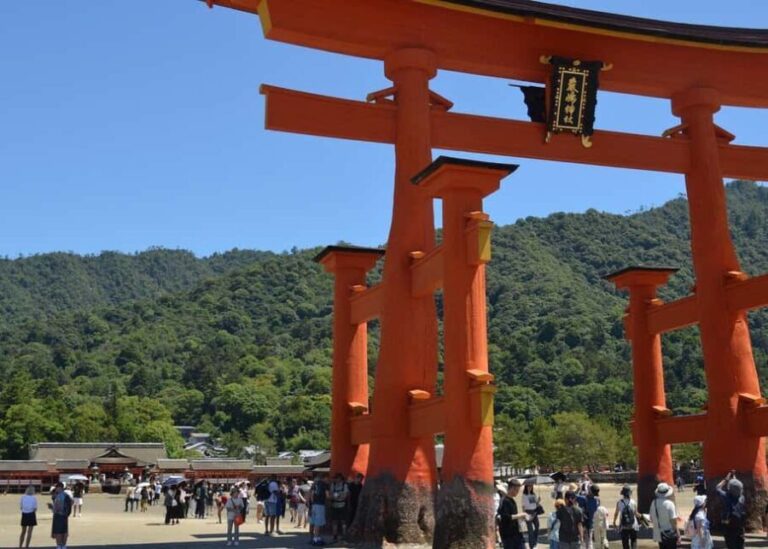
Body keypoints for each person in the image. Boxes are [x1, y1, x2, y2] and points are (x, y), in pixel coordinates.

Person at [717, 471, 747, 549]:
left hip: (729, 527)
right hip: (740, 527)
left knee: (731, 546)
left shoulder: (726, 497)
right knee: (740, 546)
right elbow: (737, 486)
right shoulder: (742, 498)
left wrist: (726, 479)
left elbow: (718, 488)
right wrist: (734, 477)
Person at [497, 478, 528, 549]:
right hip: (508, 536)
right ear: (511, 489)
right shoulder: (504, 501)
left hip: (516, 533)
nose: (517, 492)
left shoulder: (512, 500)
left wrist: (520, 517)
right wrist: (520, 515)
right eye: (517, 490)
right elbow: (505, 517)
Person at [649, 482, 679, 549]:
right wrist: (678, 534)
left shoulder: (653, 503)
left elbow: (651, 518)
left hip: (660, 534)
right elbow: (673, 521)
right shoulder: (670, 504)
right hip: (670, 533)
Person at [612, 485, 640, 549]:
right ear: (629, 493)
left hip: (623, 526)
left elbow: (616, 513)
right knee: (634, 542)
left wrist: (614, 522)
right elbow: (636, 514)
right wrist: (642, 517)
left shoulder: (619, 502)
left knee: (625, 544)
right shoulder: (633, 502)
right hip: (633, 526)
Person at [576, 484, 600, 549]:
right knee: (589, 541)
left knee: (580, 540)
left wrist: (578, 489)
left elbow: (574, 496)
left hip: (582, 522)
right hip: (591, 522)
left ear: (590, 491)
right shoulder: (597, 500)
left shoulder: (583, 499)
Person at [309, 473, 330, 547]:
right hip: (320, 505)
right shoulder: (325, 485)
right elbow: (327, 495)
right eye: (327, 478)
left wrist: (312, 502)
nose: (328, 480)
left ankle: (316, 538)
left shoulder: (314, 484)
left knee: (314, 521)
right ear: (324, 478)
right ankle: (316, 539)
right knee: (318, 522)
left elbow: (311, 495)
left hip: (314, 504)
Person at [51, 482, 72, 549]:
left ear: (59, 488)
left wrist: (51, 507)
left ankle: (59, 545)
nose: (56, 489)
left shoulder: (59, 496)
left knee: (58, 531)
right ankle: (64, 545)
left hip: (58, 515)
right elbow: (71, 503)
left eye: (57, 488)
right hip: (65, 515)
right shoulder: (66, 495)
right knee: (64, 531)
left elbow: (56, 508)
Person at [329, 473, 349, 542]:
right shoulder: (333, 485)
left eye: (338, 478)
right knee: (334, 521)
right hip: (334, 505)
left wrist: (338, 496)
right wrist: (337, 496)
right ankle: (335, 535)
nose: (337, 480)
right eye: (336, 478)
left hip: (342, 505)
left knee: (343, 521)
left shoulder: (344, 485)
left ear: (341, 478)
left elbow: (345, 495)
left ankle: (344, 535)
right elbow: (330, 495)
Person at [522, 483, 542, 549]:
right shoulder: (524, 495)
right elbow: (523, 506)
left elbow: (535, 504)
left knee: (537, 527)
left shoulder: (533, 494)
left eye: (531, 486)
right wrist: (524, 515)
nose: (530, 487)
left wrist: (538, 501)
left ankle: (534, 542)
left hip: (534, 512)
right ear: (526, 487)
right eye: (529, 486)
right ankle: (532, 546)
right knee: (530, 530)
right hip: (528, 512)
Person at [19, 485, 38, 549]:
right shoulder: (34, 498)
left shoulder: (22, 497)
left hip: (24, 514)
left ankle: (20, 546)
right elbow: (35, 508)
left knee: (23, 532)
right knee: (29, 532)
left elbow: (21, 507)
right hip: (31, 515)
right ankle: (27, 546)